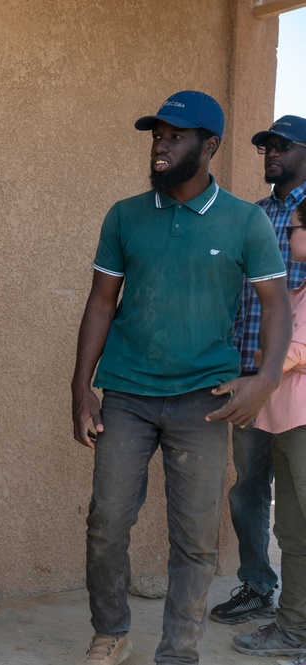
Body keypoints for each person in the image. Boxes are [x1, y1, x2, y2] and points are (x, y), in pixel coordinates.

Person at [70, 90, 292, 665]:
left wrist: (265, 378)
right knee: (106, 523)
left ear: (209, 145)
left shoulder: (245, 221)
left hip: (204, 402)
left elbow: (276, 303)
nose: (161, 145)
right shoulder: (126, 215)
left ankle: (178, 651)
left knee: (194, 540)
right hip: (127, 396)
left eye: (175, 136)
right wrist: (80, 388)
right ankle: (112, 631)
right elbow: (100, 302)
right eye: (156, 135)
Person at [212, 114, 306, 625]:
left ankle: (299, 609)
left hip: (297, 385)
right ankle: (256, 586)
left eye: (283, 145)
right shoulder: (250, 216)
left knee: (299, 499)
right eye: (267, 146)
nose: (272, 152)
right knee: (249, 487)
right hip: (247, 379)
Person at [231, 204, 306, 662]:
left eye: (295, 229)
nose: (288, 236)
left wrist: (264, 363)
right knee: (294, 533)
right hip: (284, 424)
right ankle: (293, 628)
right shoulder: (297, 292)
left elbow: (291, 353)